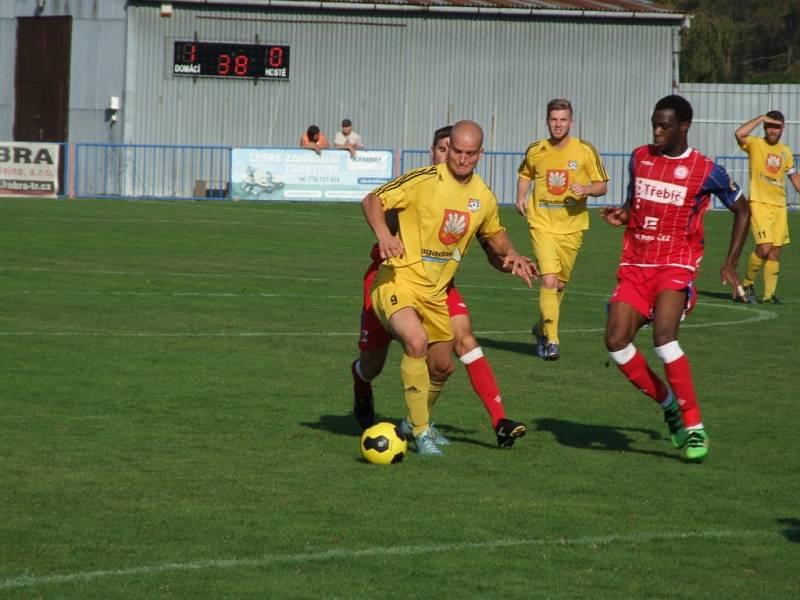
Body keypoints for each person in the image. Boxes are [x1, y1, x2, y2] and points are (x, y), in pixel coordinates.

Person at [362, 120, 535, 456]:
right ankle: (423, 432)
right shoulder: (423, 180)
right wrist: (384, 235)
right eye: (457, 151)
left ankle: (413, 422)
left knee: (442, 367)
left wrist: (511, 254)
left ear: (480, 154)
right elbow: (372, 200)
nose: (462, 159)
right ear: (448, 147)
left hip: (435, 293)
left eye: (470, 154)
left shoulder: (483, 197)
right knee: (416, 341)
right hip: (398, 280)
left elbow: (493, 238)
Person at [601, 94, 751, 463]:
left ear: (683, 126)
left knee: (664, 337)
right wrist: (623, 214)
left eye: (664, 126)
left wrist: (730, 262)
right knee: (616, 342)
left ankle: (695, 425)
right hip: (636, 265)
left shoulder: (705, 170)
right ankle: (668, 404)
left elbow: (742, 209)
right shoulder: (640, 158)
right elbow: (634, 203)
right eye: (654, 124)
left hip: (675, 265)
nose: (657, 132)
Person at [515, 98, 609, 361]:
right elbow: (525, 174)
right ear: (547, 121)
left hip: (573, 226)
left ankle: (541, 328)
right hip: (541, 223)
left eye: (563, 120)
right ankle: (553, 340)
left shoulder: (585, 151)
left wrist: (587, 189)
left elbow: (602, 185)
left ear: (571, 122)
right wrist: (521, 195)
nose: (558, 124)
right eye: (554, 120)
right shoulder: (536, 150)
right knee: (548, 279)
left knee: (560, 284)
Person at [734, 111, 800, 304]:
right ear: (764, 127)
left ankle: (769, 296)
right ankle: (746, 283)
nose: (773, 130)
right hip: (759, 203)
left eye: (777, 126)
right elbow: (739, 134)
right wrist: (761, 118)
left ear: (783, 128)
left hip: (779, 206)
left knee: (775, 252)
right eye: (769, 126)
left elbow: (794, 176)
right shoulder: (755, 144)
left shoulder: (786, 151)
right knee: (764, 248)